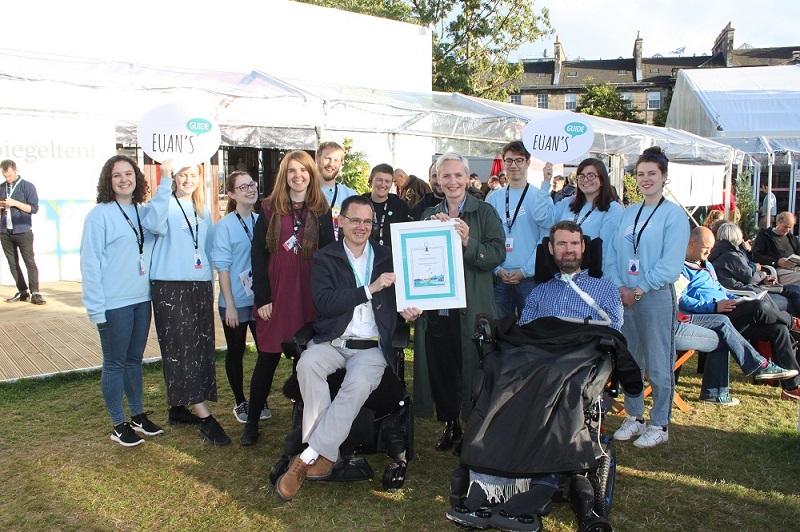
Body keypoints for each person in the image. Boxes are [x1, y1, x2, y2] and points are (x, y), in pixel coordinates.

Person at [275, 195, 422, 501]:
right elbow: (325, 303)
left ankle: (308, 457)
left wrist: (408, 309)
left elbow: (403, 297)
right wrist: (369, 288)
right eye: (355, 220)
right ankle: (325, 453)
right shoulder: (326, 258)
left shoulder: (388, 257)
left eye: (367, 221)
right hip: (333, 340)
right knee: (308, 363)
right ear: (341, 222)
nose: (361, 227)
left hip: (370, 347)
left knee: (356, 383)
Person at [413, 151, 506, 452]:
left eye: (457, 175)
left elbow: (496, 255)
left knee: (473, 365)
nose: (452, 181)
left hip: (472, 306)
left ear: (467, 178)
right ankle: (450, 423)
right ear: (437, 180)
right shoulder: (428, 216)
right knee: (442, 365)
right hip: (438, 309)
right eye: (446, 175)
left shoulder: (484, 213)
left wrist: (468, 241)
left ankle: (473, 425)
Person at [245, 150, 335, 446]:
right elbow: (258, 255)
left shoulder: (321, 210)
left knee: (308, 361)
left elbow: (330, 255)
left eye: (304, 171)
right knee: (267, 359)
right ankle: (252, 421)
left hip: (309, 295)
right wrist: (263, 298)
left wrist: (327, 298)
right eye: (292, 171)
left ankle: (307, 419)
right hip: (277, 294)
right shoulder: (269, 208)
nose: (298, 176)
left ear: (312, 174)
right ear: (285, 175)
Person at [143, 161, 230, 445]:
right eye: (183, 175)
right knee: (182, 347)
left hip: (200, 285)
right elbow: (152, 225)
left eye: (193, 175)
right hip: (170, 284)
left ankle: (178, 407)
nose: (188, 180)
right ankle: (205, 417)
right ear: (174, 177)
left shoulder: (201, 209)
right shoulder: (163, 203)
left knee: (200, 346)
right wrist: (163, 183)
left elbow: (206, 249)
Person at [608, 146, 690, 449]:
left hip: (654, 296)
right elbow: (612, 254)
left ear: (664, 177)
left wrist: (639, 289)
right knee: (631, 360)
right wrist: (620, 287)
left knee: (658, 361)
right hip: (626, 296)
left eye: (651, 174)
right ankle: (634, 415)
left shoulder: (673, 216)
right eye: (640, 174)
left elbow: (670, 264)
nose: (645, 179)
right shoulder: (629, 213)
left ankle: (659, 423)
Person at [80, 155, 163, 446]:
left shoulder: (143, 211)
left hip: (142, 299)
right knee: (115, 363)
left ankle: (138, 415)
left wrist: (167, 179)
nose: (124, 179)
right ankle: (118, 422)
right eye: (117, 175)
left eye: (129, 173)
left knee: (134, 360)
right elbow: (90, 264)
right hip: (114, 303)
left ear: (137, 178)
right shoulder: (99, 215)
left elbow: (161, 225)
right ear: (108, 180)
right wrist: (95, 308)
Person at [680, 226, 800, 401]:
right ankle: (792, 322)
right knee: (759, 307)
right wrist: (714, 306)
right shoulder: (680, 268)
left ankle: (792, 387)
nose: (710, 252)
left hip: (727, 311)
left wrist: (735, 299)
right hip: (710, 316)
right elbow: (681, 300)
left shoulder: (708, 265)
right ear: (691, 244)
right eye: (706, 248)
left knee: (778, 330)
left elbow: (721, 290)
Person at [211, 171, 260, 425]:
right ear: (231, 194)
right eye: (243, 187)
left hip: (258, 301)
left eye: (252, 184)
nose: (250, 189)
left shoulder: (261, 220)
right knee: (237, 350)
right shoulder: (224, 226)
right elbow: (223, 268)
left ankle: (259, 398)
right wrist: (229, 304)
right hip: (235, 302)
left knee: (266, 350)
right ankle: (240, 401)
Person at [675, 312, 797, 406]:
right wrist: (716, 305)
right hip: (674, 323)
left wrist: (734, 300)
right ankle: (759, 366)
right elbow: (685, 298)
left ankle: (789, 383)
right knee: (725, 330)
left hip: (683, 317)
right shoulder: (668, 280)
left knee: (777, 325)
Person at [520, 221, 623, 331]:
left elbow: (615, 333)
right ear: (551, 248)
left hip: (589, 347)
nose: (569, 250)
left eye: (574, 243)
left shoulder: (606, 289)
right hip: (549, 347)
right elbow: (525, 331)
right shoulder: (538, 294)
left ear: (583, 246)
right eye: (562, 244)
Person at [533, 157, 623, 279]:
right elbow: (542, 217)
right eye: (581, 176)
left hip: (592, 277)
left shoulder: (612, 209)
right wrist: (546, 183)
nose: (585, 180)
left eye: (591, 175)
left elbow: (607, 252)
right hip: (562, 275)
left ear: (602, 179)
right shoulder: (568, 203)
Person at [485, 140, 544, 319]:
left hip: (529, 277)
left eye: (519, 160)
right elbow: (486, 237)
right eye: (509, 161)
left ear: (528, 162)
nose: (513, 165)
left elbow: (545, 238)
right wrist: (496, 268)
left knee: (531, 329)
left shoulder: (539, 197)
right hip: (500, 275)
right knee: (499, 330)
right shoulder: (494, 198)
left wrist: (525, 271)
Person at [709, 222, 800, 316]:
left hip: (746, 288)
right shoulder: (731, 255)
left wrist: (763, 280)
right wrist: (763, 275)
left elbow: (744, 274)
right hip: (746, 292)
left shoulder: (720, 251)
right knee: (793, 298)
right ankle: (791, 323)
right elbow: (750, 277)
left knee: (795, 291)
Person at [0, 159, 45, 304]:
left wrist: (15, 203)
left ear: (16, 170)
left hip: (23, 231)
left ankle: (35, 292)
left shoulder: (27, 186)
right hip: (4, 231)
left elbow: (33, 209)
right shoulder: (1, 187)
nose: (7, 179)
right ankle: (23, 291)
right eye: (4, 175)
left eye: (10, 175)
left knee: (29, 262)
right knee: (12, 263)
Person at [363, 163, 409, 249]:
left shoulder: (400, 206)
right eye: (379, 180)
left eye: (387, 181)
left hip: (391, 258)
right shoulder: (360, 203)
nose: (383, 185)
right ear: (371, 180)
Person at [316, 141, 357, 238]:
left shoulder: (351, 196)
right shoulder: (305, 192)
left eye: (336, 160)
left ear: (341, 164)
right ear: (317, 158)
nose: (331, 164)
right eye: (327, 158)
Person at [752, 211, 800, 286]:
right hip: (778, 270)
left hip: (794, 268)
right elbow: (756, 257)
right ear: (778, 222)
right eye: (785, 227)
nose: (787, 230)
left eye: (790, 227)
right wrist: (776, 262)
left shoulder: (792, 238)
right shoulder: (765, 236)